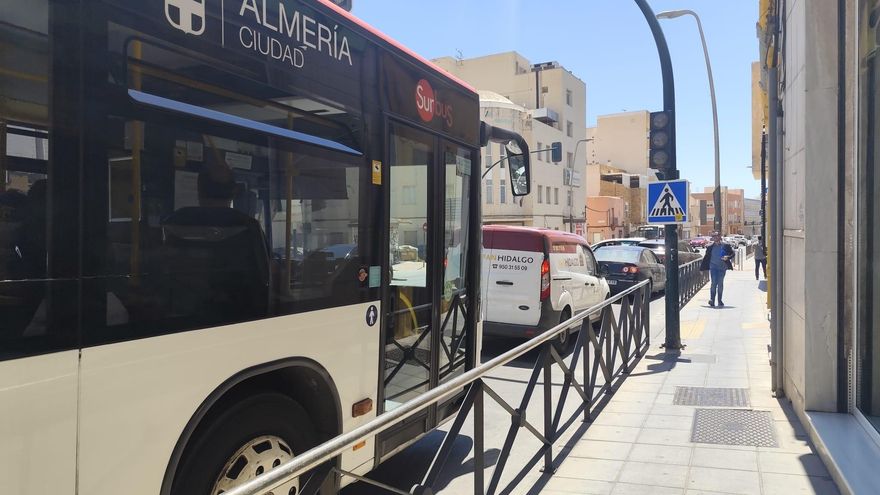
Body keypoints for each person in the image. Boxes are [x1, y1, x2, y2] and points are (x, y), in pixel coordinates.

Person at [700, 231, 734, 307]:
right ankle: (712, 300)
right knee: (713, 283)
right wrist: (702, 269)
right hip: (713, 267)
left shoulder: (725, 245)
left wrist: (728, 257)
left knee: (720, 283)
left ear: (720, 237)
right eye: (713, 236)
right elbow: (706, 258)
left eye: (716, 236)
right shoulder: (710, 247)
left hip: (722, 267)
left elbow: (732, 253)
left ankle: (719, 300)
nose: (715, 237)